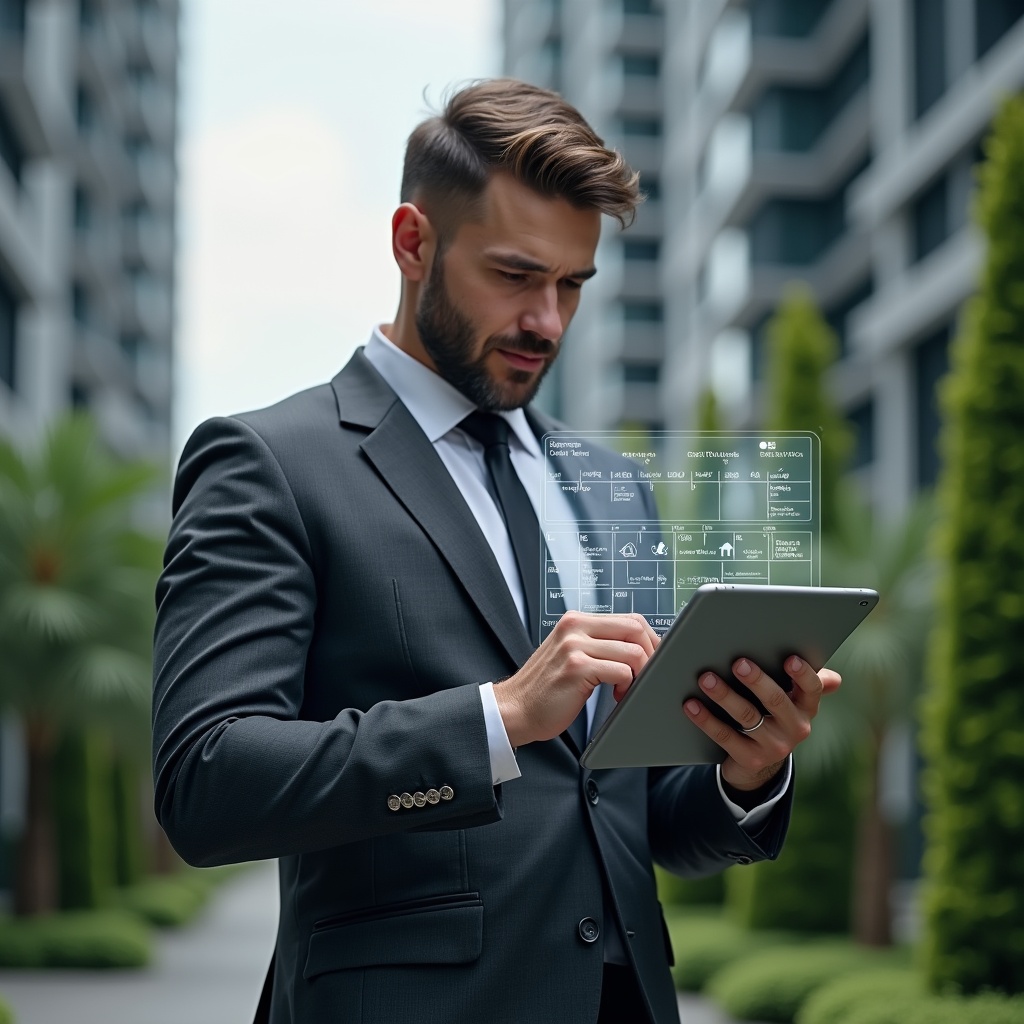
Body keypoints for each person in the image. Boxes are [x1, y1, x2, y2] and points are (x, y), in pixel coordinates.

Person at [152, 79, 839, 1024]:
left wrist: (745, 769)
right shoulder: (269, 462)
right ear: (412, 242)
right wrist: (499, 715)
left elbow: (638, 817)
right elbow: (205, 781)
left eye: (572, 285)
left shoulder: (616, 491)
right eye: (516, 276)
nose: (548, 322)